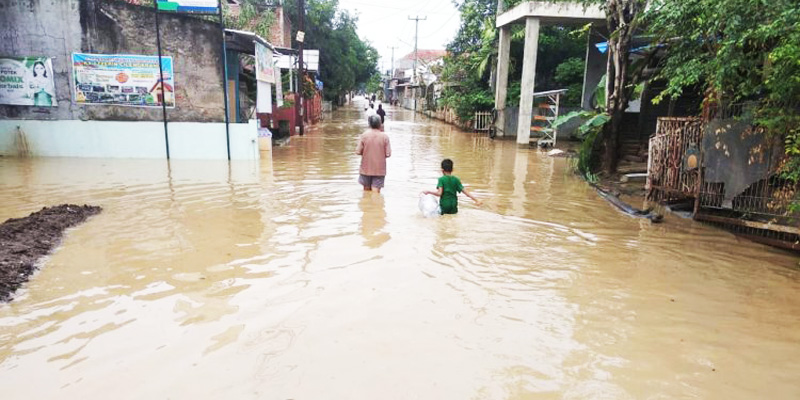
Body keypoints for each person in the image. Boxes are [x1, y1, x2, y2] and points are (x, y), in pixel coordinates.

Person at [356, 115, 392, 193]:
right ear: (380, 124)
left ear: (369, 124)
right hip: (379, 170)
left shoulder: (364, 136)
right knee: (376, 193)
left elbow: (358, 152)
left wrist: (366, 152)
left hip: (365, 168)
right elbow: (388, 154)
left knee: (366, 192)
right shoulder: (385, 137)